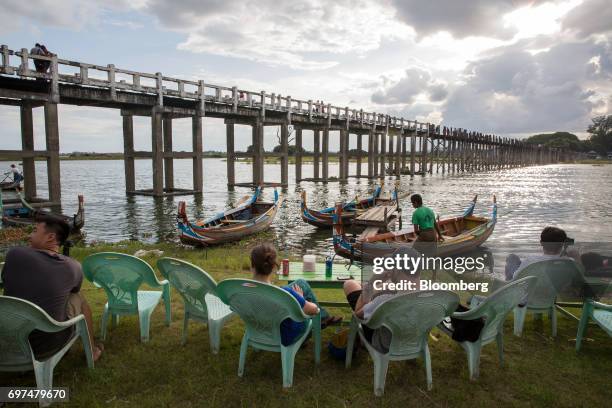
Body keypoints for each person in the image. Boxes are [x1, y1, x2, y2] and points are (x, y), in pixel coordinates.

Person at [1, 214, 103, 361]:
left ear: (50, 237)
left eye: (35, 231)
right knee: (78, 297)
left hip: (7, 344)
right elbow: (73, 291)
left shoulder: (14, 255)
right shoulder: (73, 267)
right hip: (45, 348)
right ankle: (92, 351)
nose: (30, 235)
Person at [249, 243, 342, 346]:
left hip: (258, 330)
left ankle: (323, 319)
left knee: (301, 283)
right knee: (306, 308)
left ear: (252, 265)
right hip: (286, 336)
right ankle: (320, 320)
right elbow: (313, 310)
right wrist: (300, 298)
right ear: (274, 267)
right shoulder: (283, 293)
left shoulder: (241, 289)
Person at [343, 247, 420, 352]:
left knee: (350, 284)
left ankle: (360, 341)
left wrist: (371, 283)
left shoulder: (385, 300)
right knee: (369, 290)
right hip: (414, 341)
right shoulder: (434, 293)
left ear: (396, 269)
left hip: (384, 344)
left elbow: (357, 314)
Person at [504, 226, 573, 281]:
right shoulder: (570, 262)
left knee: (512, 258)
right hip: (553, 292)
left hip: (532, 292)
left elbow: (516, 276)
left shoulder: (531, 260)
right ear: (563, 244)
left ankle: (506, 284)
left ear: (541, 243)